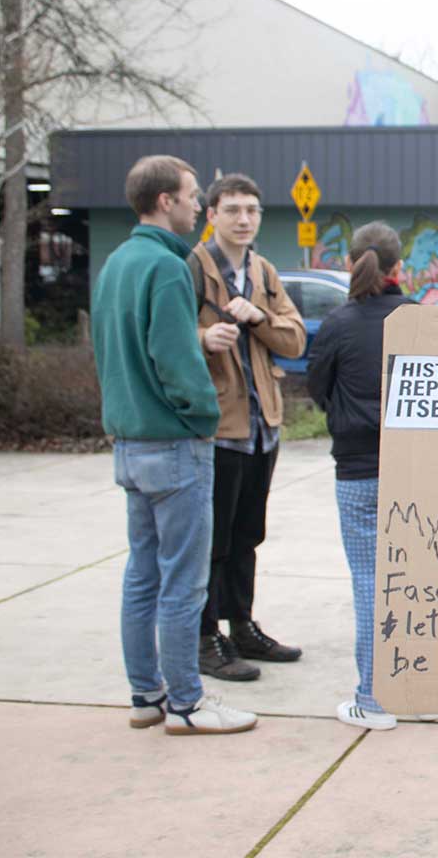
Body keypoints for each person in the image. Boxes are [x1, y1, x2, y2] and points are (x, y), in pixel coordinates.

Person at [91, 154, 257, 735]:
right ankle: (187, 703)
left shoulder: (116, 264)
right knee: (184, 583)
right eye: (191, 196)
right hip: (174, 444)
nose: (196, 206)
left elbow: (110, 353)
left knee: (142, 576)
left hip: (129, 442)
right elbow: (175, 357)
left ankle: (146, 695)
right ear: (165, 201)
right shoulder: (167, 267)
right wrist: (203, 414)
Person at [190, 173, 307, 681]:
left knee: (247, 534)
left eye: (252, 211)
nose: (243, 219)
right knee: (211, 539)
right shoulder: (192, 267)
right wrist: (201, 337)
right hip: (218, 426)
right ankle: (204, 635)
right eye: (233, 209)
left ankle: (241, 624)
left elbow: (295, 339)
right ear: (211, 214)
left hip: (264, 425)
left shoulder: (262, 270)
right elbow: (165, 332)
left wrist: (257, 316)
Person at [306, 222, 415, 730]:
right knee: (424, 583)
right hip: (417, 475)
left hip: (357, 474)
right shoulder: (418, 321)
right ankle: (425, 690)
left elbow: (318, 388)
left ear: (351, 265)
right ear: (399, 270)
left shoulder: (337, 324)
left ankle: (373, 699)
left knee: (372, 584)